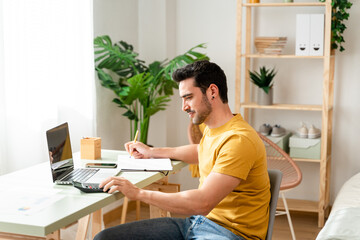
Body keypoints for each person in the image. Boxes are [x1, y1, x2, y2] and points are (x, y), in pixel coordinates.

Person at [94, 60, 270, 240]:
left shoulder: (239, 139)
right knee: (104, 238)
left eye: (188, 97)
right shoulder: (215, 129)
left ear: (212, 92)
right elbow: (200, 151)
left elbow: (203, 202)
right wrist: (152, 152)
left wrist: (138, 193)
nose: (184, 107)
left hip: (229, 233)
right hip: (197, 224)